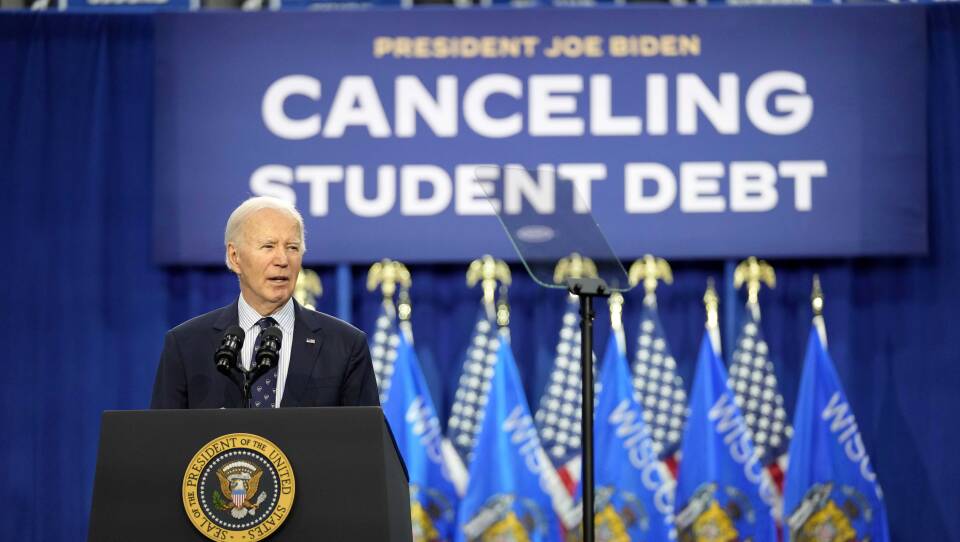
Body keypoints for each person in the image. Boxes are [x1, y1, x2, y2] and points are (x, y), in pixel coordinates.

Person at [150, 196, 379, 409]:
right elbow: (163, 444)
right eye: (268, 246)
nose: (282, 260)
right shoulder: (186, 345)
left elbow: (365, 446)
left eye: (292, 248)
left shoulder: (345, 345)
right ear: (234, 257)